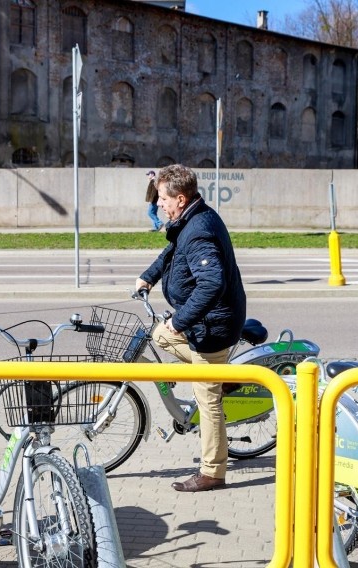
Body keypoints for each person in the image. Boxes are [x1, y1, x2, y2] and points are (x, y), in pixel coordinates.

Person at [134, 164, 246, 492]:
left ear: (180, 199)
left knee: (206, 399)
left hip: (212, 327)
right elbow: (172, 252)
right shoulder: (191, 218)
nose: (157, 205)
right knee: (159, 334)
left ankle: (213, 471)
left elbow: (211, 284)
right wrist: (149, 276)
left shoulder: (199, 228)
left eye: (162, 200)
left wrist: (182, 322)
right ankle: (222, 376)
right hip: (204, 322)